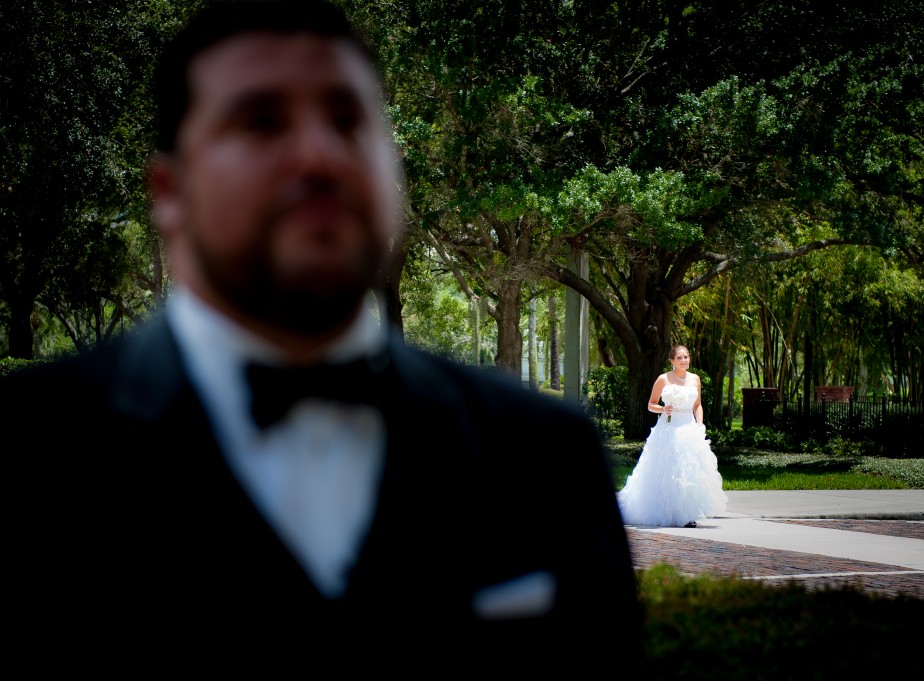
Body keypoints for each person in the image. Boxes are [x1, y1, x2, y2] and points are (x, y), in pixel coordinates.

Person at [2, 1, 643, 675]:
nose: (318, 155)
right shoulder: (27, 450)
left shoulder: (546, 453)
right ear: (169, 190)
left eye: (347, 119)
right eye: (261, 120)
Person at [617, 344, 729, 528]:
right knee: (669, 470)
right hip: (668, 429)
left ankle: (686, 514)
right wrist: (663, 408)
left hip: (688, 427)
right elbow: (651, 404)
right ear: (671, 361)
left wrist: (699, 423)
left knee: (689, 471)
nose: (683, 361)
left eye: (686, 357)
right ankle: (665, 511)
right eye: (679, 358)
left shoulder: (695, 379)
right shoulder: (663, 379)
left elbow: (697, 405)